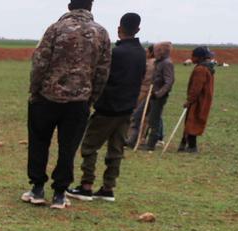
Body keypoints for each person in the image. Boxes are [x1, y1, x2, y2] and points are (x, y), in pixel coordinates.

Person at [22, 0, 112, 210]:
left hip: (46, 98)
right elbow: (103, 70)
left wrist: (35, 90)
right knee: (68, 148)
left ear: (70, 6)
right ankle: (60, 193)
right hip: (79, 101)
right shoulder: (101, 33)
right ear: (90, 7)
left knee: (38, 142)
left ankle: (37, 188)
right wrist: (91, 97)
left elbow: (40, 62)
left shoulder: (56, 28)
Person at [67, 12, 146, 203]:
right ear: (138, 29)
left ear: (119, 29)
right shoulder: (141, 53)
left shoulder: (115, 53)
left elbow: (101, 76)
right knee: (116, 149)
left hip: (107, 108)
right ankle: (108, 188)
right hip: (127, 110)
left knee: (89, 146)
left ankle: (86, 186)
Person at [137, 42, 175, 150]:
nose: (154, 52)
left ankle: (151, 144)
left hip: (158, 97)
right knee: (137, 116)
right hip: (151, 94)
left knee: (154, 120)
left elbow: (169, 81)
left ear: (161, 51)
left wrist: (158, 94)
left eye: (156, 50)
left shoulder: (167, 63)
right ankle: (133, 140)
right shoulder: (158, 62)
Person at [178, 46, 216, 154]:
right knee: (192, 120)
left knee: (192, 121)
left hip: (198, 100)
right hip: (202, 99)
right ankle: (184, 143)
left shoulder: (201, 69)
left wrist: (189, 100)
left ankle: (192, 146)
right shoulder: (207, 67)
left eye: (193, 56)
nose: (191, 58)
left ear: (199, 57)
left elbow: (196, 88)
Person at [124, 44, 155, 148]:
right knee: (145, 116)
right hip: (150, 92)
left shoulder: (148, 64)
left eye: (147, 52)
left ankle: (132, 137)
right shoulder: (157, 63)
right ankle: (141, 138)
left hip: (142, 91)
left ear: (151, 53)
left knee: (136, 114)